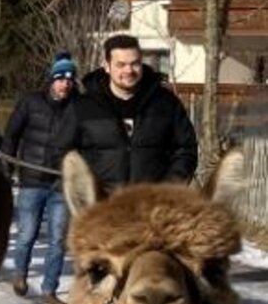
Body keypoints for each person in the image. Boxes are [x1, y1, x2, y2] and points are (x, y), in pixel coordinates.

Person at [54, 34, 198, 191]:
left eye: (135, 64)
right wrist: (83, 188)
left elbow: (186, 149)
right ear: (107, 66)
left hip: (152, 203)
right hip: (101, 203)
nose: (129, 70)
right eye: (121, 64)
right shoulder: (82, 107)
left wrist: (171, 186)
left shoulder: (166, 103)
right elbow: (61, 153)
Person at [1, 52, 78, 304]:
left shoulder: (80, 107)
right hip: (32, 180)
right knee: (26, 235)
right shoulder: (30, 103)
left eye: (70, 78)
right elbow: (11, 135)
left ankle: (49, 290)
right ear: (51, 80)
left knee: (57, 240)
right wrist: (7, 166)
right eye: (60, 78)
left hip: (61, 184)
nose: (65, 83)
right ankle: (20, 274)